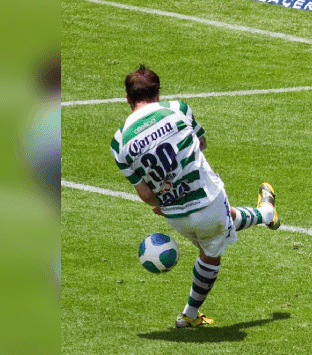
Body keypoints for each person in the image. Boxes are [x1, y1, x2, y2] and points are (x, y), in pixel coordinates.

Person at [112, 66, 280, 328]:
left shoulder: (119, 142)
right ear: (157, 92)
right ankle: (189, 315)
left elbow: (145, 194)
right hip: (208, 198)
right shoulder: (177, 109)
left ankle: (266, 213)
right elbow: (201, 143)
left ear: (127, 97)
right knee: (211, 252)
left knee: (218, 228)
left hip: (175, 215)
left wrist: (161, 201)